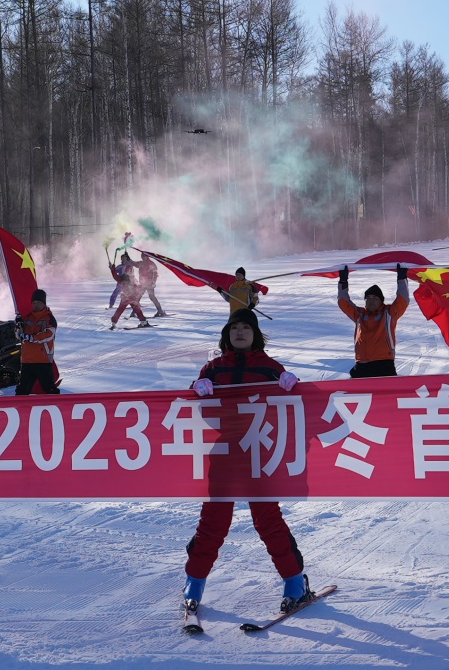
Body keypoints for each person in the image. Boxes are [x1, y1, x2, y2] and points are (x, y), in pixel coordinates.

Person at [179, 310, 313, 624]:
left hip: (259, 454)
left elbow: (294, 405)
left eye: (246, 328)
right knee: (213, 522)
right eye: (234, 328)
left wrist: (292, 385)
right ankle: (193, 585)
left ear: (255, 334)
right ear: (227, 335)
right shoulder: (213, 369)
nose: (240, 333)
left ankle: (295, 583)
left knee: (268, 520)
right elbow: (194, 404)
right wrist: (197, 388)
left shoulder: (269, 367)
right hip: (225, 453)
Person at [337, 264, 410, 377]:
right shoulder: (359, 315)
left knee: (386, 395)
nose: (371, 301)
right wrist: (343, 281)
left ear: (381, 301)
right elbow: (343, 302)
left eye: (375, 298)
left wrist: (401, 279)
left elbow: (402, 299)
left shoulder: (389, 313)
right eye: (368, 298)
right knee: (355, 394)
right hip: (361, 364)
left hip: (383, 364)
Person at [16, 289, 60, 395]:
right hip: (27, 361)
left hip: (42, 361)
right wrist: (18, 326)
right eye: (34, 303)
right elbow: (19, 336)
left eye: (39, 302)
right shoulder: (27, 318)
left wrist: (32, 338)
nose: (36, 305)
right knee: (22, 391)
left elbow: (48, 335)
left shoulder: (49, 318)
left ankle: (58, 407)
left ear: (44, 303)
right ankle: (20, 409)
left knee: (49, 389)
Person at [110, 254, 150, 329]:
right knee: (137, 309)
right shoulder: (130, 279)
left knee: (121, 309)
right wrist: (113, 269)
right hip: (132, 296)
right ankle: (143, 321)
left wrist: (112, 270)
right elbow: (137, 286)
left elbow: (116, 276)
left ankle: (113, 322)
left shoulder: (124, 278)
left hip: (126, 296)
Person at [137, 251, 168, 317]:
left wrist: (153, 282)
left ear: (147, 256)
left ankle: (160, 310)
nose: (142, 257)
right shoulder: (141, 263)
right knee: (138, 297)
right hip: (142, 283)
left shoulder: (151, 264)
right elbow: (134, 263)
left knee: (151, 297)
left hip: (149, 284)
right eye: (142, 256)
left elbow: (155, 273)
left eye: (144, 256)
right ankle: (134, 312)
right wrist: (128, 259)